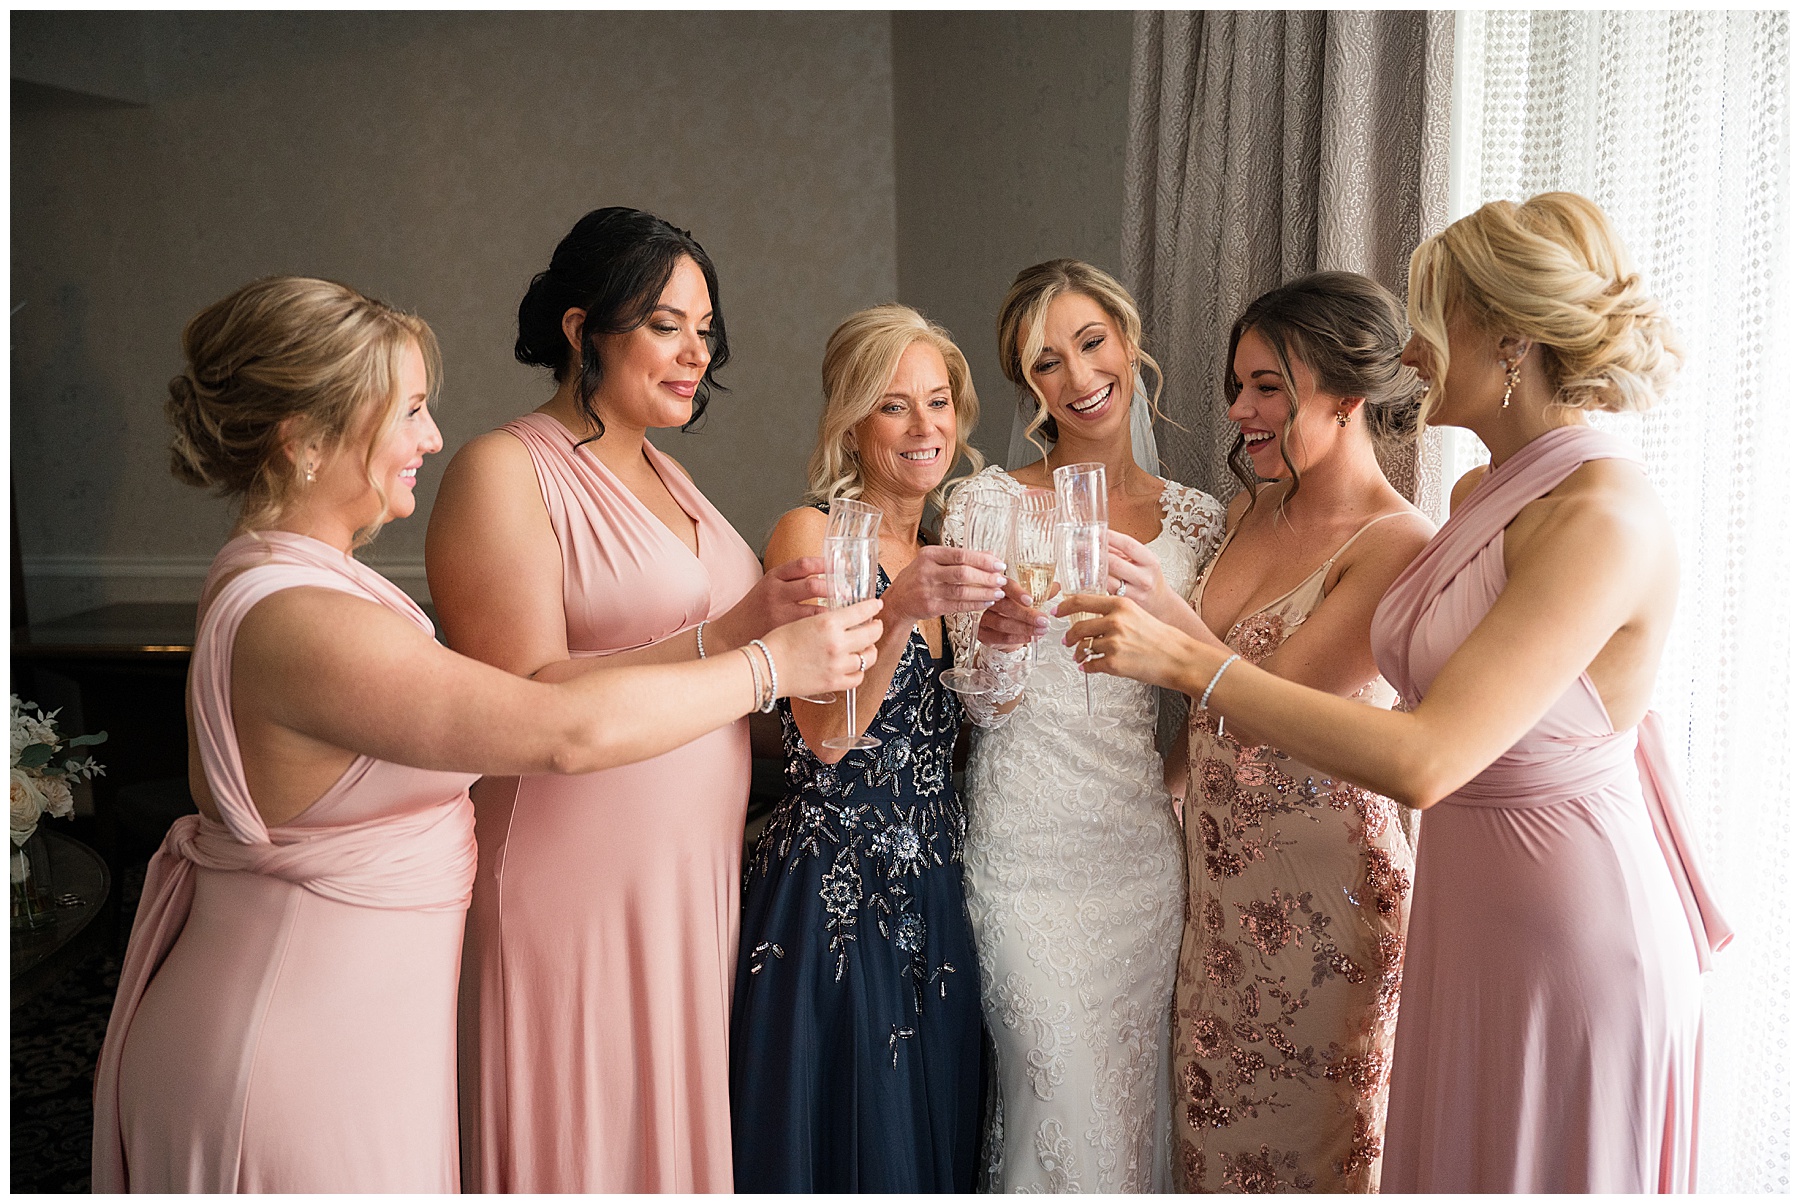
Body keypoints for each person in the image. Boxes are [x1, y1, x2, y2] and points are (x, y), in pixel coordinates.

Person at [90, 276, 879, 1193]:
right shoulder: (299, 619)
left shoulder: (317, 584)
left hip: (363, 1044)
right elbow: (555, 732)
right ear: (304, 440)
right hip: (292, 1057)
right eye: (411, 411)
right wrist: (770, 667)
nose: (431, 437)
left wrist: (746, 641)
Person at [1064, 193, 1731, 1193]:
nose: (1409, 353)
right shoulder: (1480, 496)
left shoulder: (1605, 516)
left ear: (1509, 342)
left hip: (1567, 929)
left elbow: (1426, 760)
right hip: (1464, 909)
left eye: (1432, 319)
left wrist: (1195, 662)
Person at [425, 208, 835, 1192]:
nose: (696, 352)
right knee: (586, 1125)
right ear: (581, 328)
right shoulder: (503, 469)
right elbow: (521, 696)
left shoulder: (670, 471)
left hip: (687, 870)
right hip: (576, 864)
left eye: (705, 327)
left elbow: (719, 650)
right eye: (665, 324)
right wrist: (743, 641)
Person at [1100, 271, 1434, 1191]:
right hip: (1220, 895)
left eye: (1269, 387)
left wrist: (1166, 613)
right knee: (1212, 1144)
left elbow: (1271, 705)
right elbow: (1208, 725)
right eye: (1237, 386)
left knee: (1311, 1159)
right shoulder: (1249, 507)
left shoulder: (1394, 544)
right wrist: (1156, 803)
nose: (1241, 410)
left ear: (1348, 396)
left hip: (1324, 901)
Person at [939, 259, 1226, 1191]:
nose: (1077, 375)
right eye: (1046, 362)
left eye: (1090, 342)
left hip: (1138, 861)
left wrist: (1166, 787)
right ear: (1030, 386)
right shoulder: (985, 502)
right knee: (1051, 1093)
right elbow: (977, 701)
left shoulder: (1198, 520)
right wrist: (1005, 643)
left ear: (1129, 344)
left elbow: (1220, 688)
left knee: (1132, 1112)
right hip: (1023, 854)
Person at [729, 304, 1001, 1192]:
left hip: (937, 886)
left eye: (938, 402)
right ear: (851, 422)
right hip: (835, 889)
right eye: (894, 406)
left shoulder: (941, 549)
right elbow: (828, 734)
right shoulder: (812, 534)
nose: (925, 428)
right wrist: (900, 610)